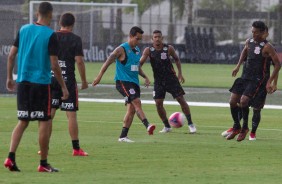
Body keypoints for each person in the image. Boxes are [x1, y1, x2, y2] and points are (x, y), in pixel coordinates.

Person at [4, 2, 69, 172]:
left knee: (23, 121)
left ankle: (10, 157)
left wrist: (10, 78)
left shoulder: (23, 30)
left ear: (38, 13)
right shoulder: (50, 35)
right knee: (45, 121)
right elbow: (54, 65)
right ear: (50, 14)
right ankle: (43, 163)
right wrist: (63, 87)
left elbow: (11, 56)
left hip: (23, 82)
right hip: (40, 83)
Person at [92, 26, 156, 143]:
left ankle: (122, 136)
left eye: (140, 39)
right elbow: (108, 62)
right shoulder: (121, 49)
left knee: (131, 109)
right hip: (123, 82)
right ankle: (147, 125)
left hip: (134, 83)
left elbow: (136, 67)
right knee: (137, 102)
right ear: (130, 36)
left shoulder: (136, 50)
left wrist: (145, 76)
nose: (138, 41)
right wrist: (99, 76)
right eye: (137, 38)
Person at [225, 21, 280, 141]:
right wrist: (238, 65)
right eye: (252, 31)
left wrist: (271, 81)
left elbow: (278, 64)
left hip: (257, 79)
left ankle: (245, 128)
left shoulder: (267, 47)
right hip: (245, 76)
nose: (253, 34)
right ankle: (236, 126)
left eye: (255, 32)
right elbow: (245, 51)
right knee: (232, 101)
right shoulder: (248, 42)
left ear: (261, 32)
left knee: (244, 101)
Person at [44, 12, 88, 156]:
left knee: (49, 114)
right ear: (72, 24)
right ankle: (76, 149)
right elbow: (79, 61)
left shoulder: (51, 36)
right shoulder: (75, 39)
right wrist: (84, 81)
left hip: (51, 79)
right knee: (71, 114)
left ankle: (44, 147)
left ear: (59, 23)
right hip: (67, 80)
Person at [139, 30, 196, 134]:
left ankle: (191, 124)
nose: (157, 38)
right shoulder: (148, 50)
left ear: (162, 38)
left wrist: (180, 73)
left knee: (180, 99)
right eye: (155, 37)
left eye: (159, 37)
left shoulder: (168, 48)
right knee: (158, 103)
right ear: (152, 39)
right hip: (158, 81)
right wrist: (144, 76)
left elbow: (177, 59)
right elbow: (140, 64)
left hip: (171, 79)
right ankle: (167, 126)